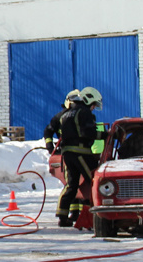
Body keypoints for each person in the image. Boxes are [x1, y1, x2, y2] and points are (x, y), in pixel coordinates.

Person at [42, 89, 100, 227]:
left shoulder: (66, 115)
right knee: (93, 181)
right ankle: (92, 213)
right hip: (80, 152)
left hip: (67, 153)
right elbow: (88, 133)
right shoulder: (81, 113)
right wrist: (106, 135)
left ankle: (66, 215)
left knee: (72, 184)